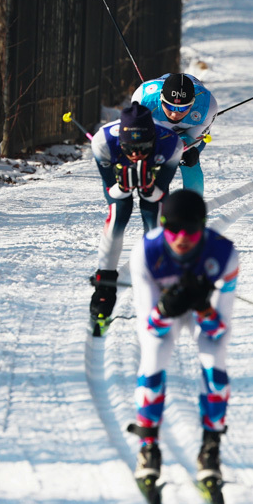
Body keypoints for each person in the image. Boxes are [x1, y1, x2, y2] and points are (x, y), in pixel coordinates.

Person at [125, 189, 239, 504]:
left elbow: (219, 330)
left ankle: (210, 449)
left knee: (215, 364)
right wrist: (166, 307)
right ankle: (148, 446)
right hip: (166, 310)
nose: (181, 238)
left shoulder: (225, 255)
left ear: (203, 228)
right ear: (162, 226)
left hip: (202, 309)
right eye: (172, 229)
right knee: (153, 357)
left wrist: (203, 307)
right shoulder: (145, 253)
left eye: (190, 230)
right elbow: (150, 328)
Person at [88, 103, 183, 335]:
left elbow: (160, 192)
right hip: (118, 180)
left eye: (142, 148)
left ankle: (158, 281)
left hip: (154, 175)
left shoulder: (172, 144)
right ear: (121, 142)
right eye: (129, 148)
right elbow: (112, 191)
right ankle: (104, 287)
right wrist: (123, 185)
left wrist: (149, 188)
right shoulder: (102, 142)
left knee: (154, 217)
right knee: (118, 214)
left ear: (153, 140)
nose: (135, 154)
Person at [131, 72, 217, 195]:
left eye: (182, 108)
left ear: (192, 103)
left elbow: (193, 138)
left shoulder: (207, 106)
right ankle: (158, 203)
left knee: (190, 161)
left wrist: (188, 149)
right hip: (156, 128)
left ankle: (193, 206)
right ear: (161, 99)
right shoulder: (143, 100)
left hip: (189, 131)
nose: (175, 114)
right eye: (169, 106)